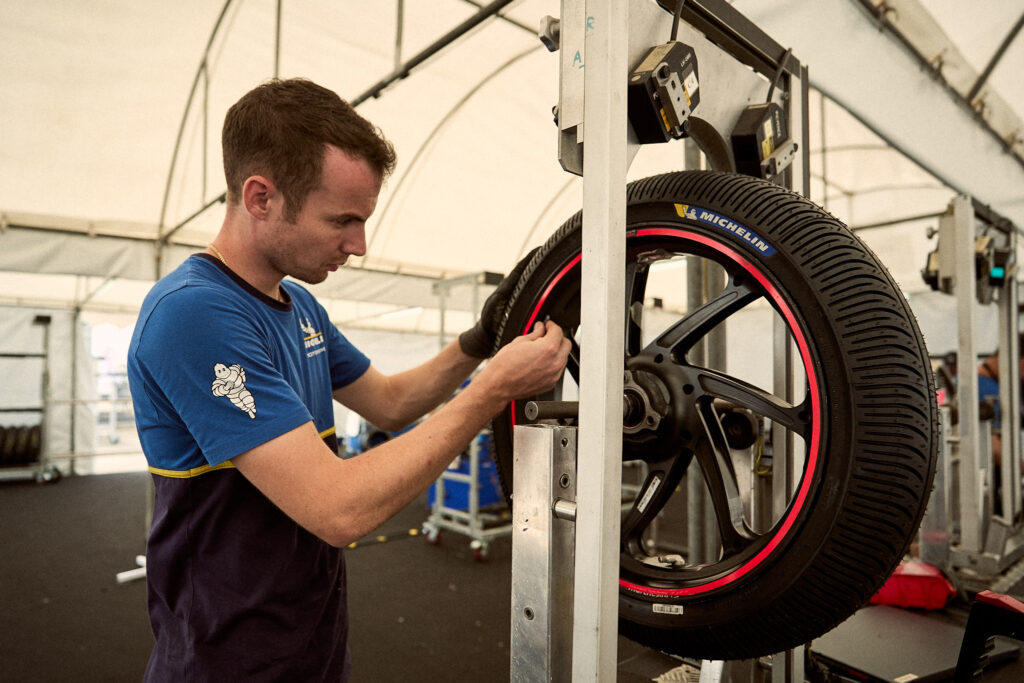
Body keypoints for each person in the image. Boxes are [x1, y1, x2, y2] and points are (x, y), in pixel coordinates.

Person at [127, 78, 570, 682]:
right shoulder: (194, 312)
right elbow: (336, 509)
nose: (359, 245)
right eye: (343, 220)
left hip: (311, 642)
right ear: (261, 197)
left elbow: (390, 403)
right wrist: (492, 389)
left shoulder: (299, 306)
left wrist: (479, 339)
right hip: (224, 659)